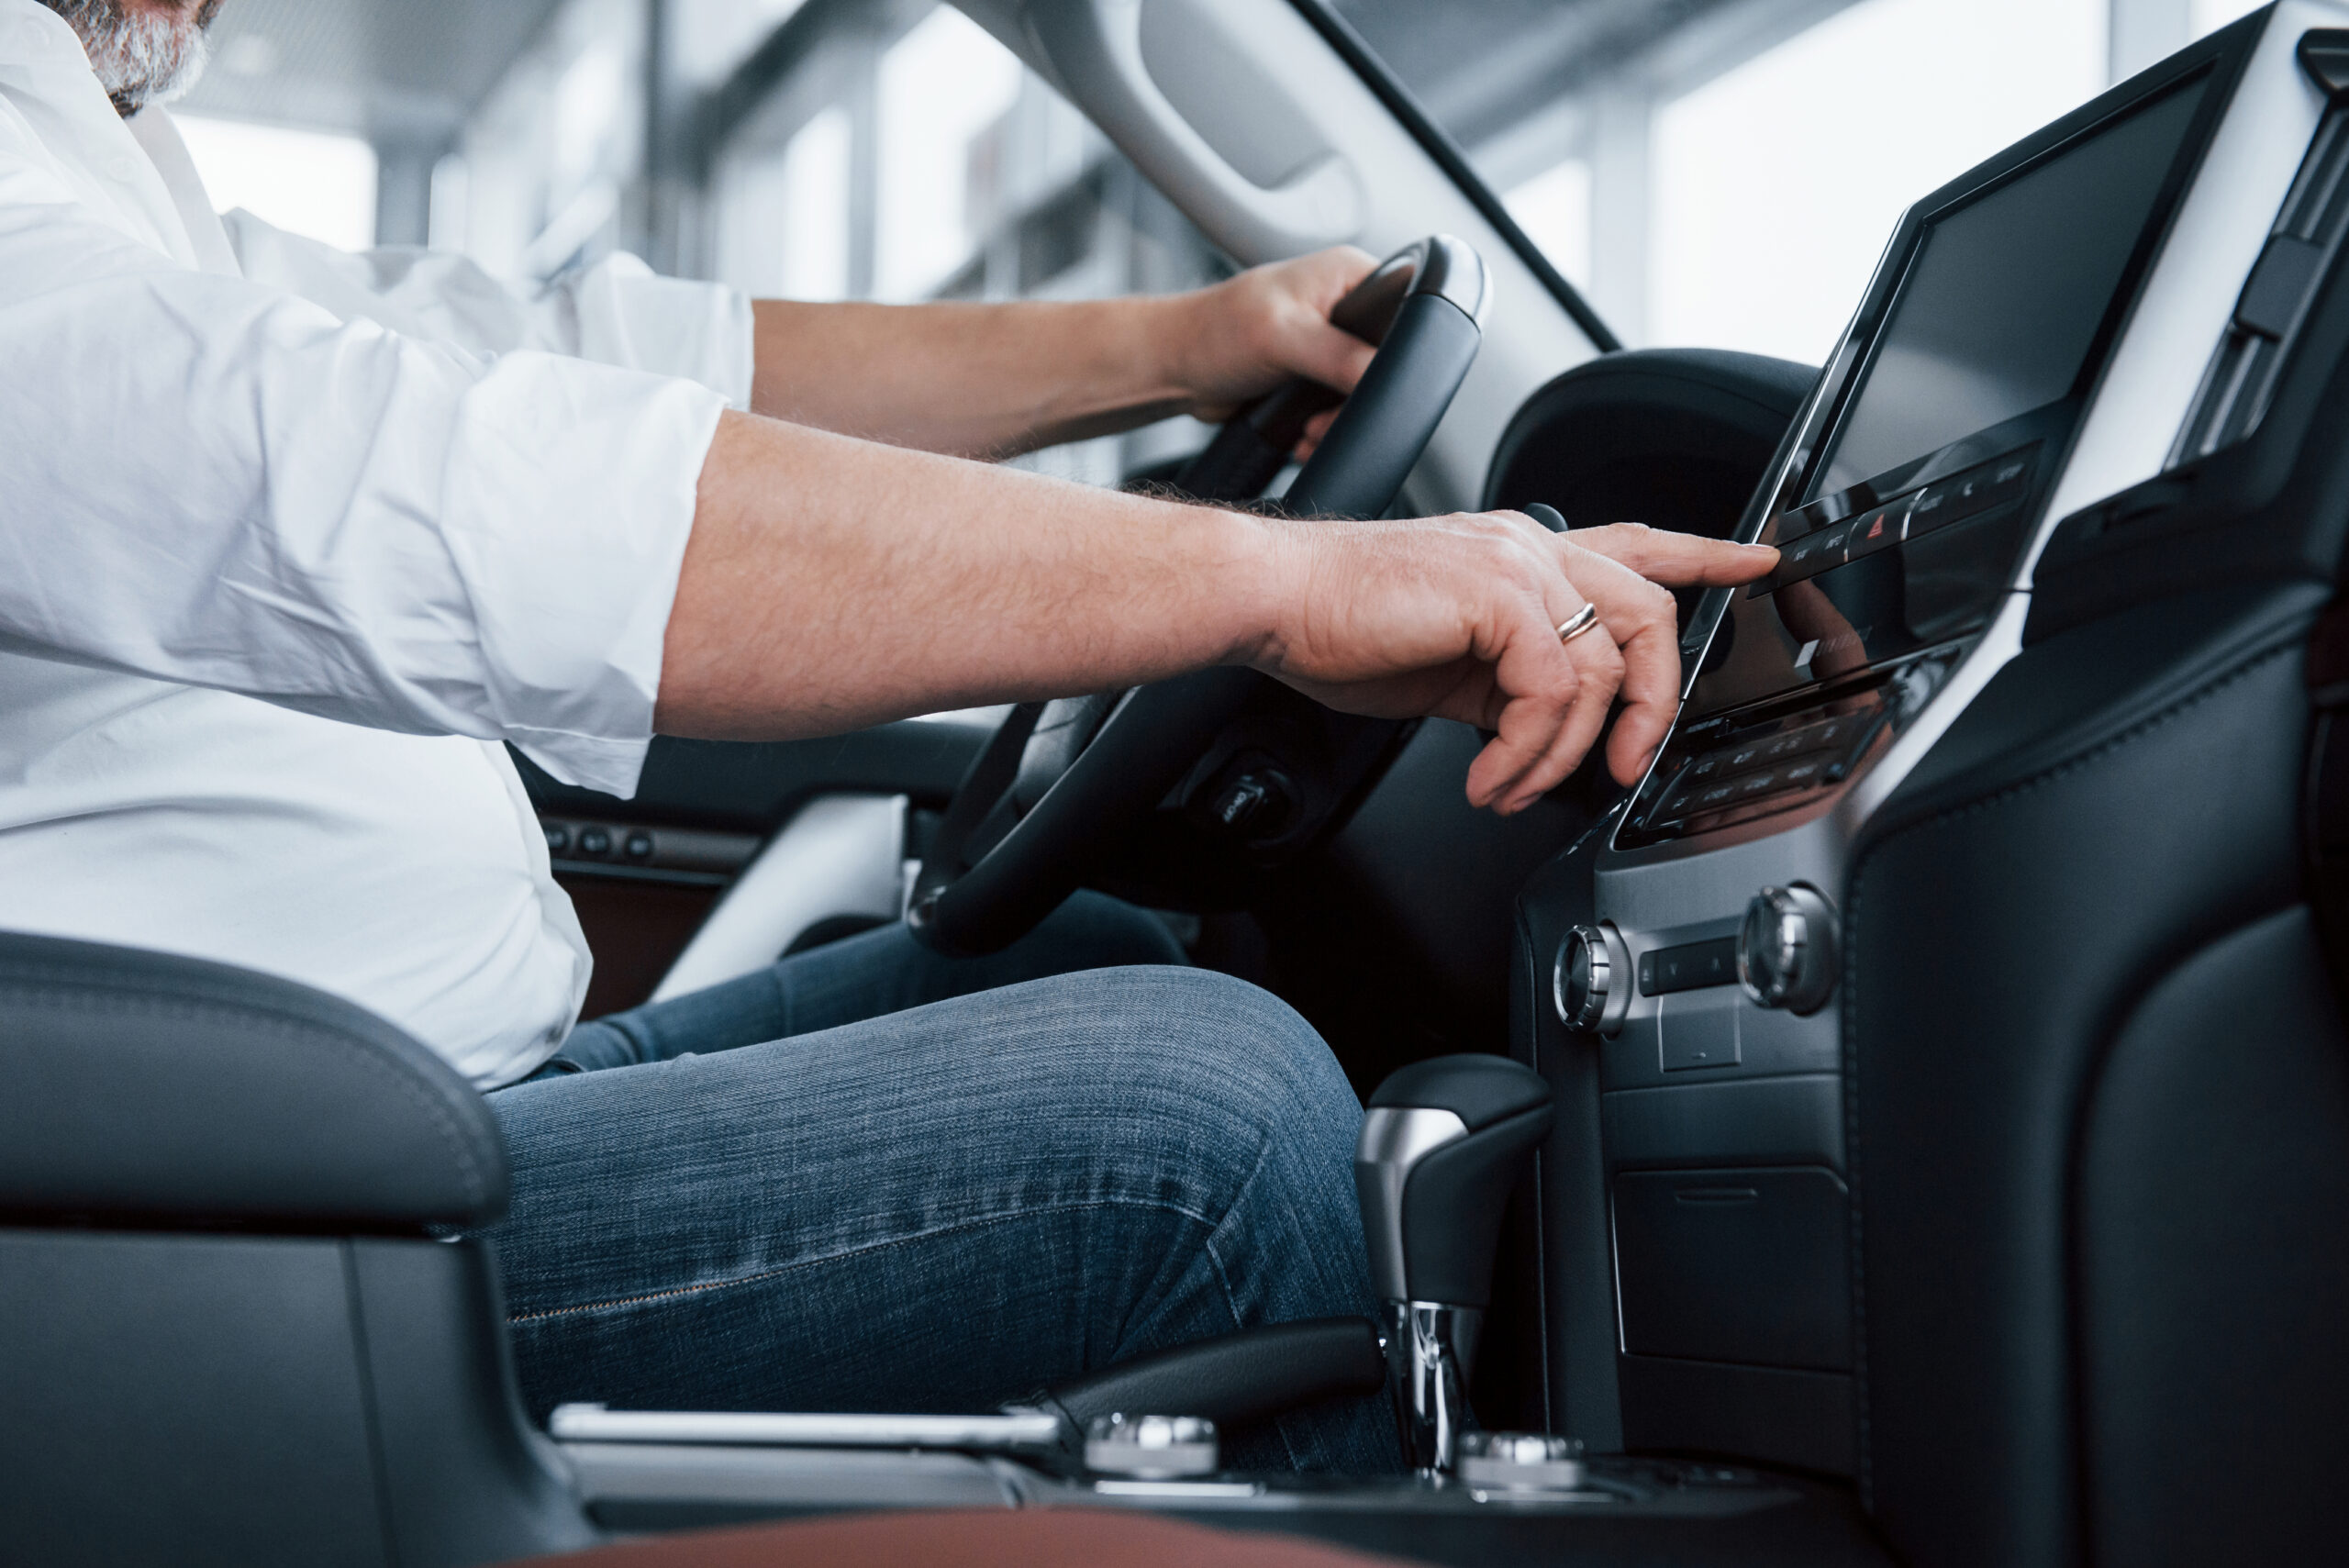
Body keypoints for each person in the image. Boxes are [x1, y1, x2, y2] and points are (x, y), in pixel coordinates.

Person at [0, 0, 1776, 1470]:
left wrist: (1185, 344)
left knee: (1075, 946)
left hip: (340, 1116)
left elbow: (573, 360)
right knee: (1199, 1131)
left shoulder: (88, 148)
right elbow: (461, 495)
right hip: (199, 1212)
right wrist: (1274, 586)